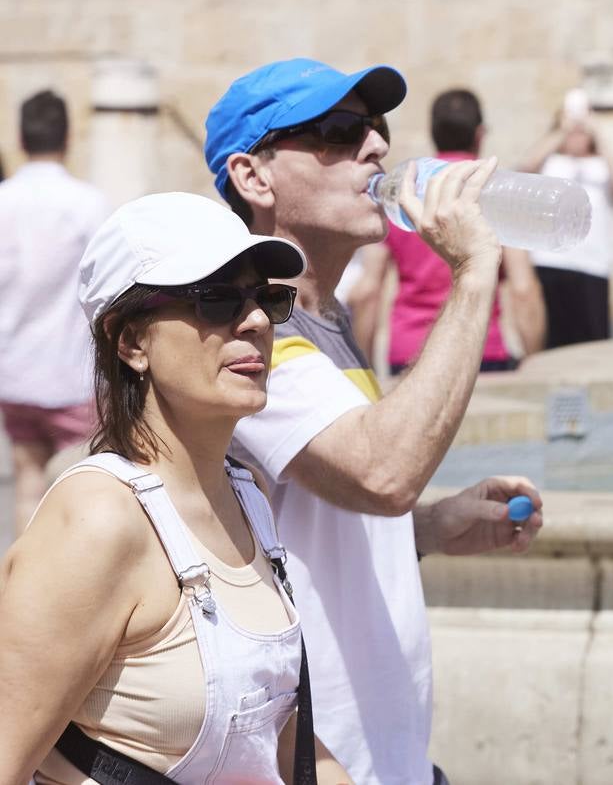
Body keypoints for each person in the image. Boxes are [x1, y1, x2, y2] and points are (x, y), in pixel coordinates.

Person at [205, 58, 544, 785]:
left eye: (378, 128)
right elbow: (383, 471)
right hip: (317, 763)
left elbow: (315, 518)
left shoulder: (329, 318)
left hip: (388, 758)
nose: (376, 149)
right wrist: (475, 272)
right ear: (253, 177)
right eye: (337, 132)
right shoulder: (252, 335)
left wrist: (429, 528)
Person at [0, 192, 352, 782]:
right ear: (130, 341)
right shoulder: (99, 519)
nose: (258, 321)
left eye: (267, 297)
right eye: (215, 300)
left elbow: (285, 743)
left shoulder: (247, 498)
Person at [349, 88, 545, 374]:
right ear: (480, 134)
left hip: (410, 353)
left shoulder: (402, 195)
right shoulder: (494, 197)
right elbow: (523, 288)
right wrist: (534, 362)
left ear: (433, 133)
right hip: (479, 350)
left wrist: (363, 373)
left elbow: (368, 291)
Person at [0, 90, 109, 532]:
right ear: (68, 137)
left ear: (20, 138)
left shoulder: (4, 199)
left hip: (15, 372)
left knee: (27, 483)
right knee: (80, 490)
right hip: (71, 375)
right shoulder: (88, 203)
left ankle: (20, 584)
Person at [518, 92, 613, 348]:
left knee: (595, 341)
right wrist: (560, 132)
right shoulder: (551, 161)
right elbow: (525, 170)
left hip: (593, 264)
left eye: (582, 131)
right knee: (554, 340)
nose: (578, 135)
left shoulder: (601, 165)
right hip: (552, 262)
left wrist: (598, 133)